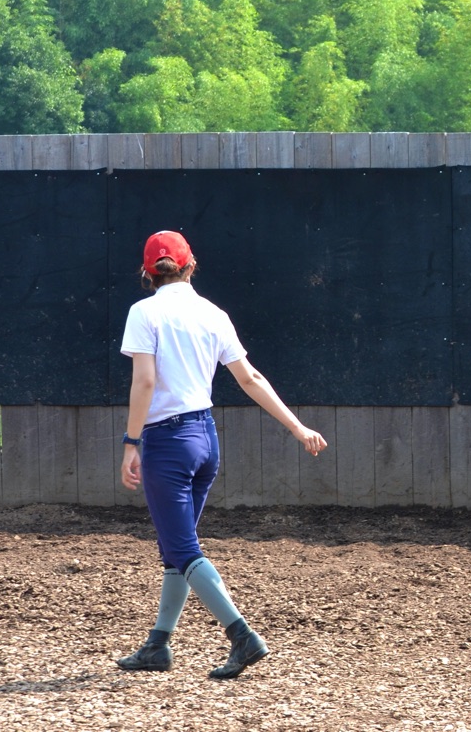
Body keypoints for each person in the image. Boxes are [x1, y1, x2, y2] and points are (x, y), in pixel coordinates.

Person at [116, 230, 328, 679]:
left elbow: (146, 382)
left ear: (147, 272)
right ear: (192, 265)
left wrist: (131, 442)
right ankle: (158, 645)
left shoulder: (144, 312)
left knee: (181, 546)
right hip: (205, 439)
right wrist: (298, 427)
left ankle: (242, 636)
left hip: (167, 443)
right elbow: (249, 378)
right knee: (176, 549)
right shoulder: (213, 313)